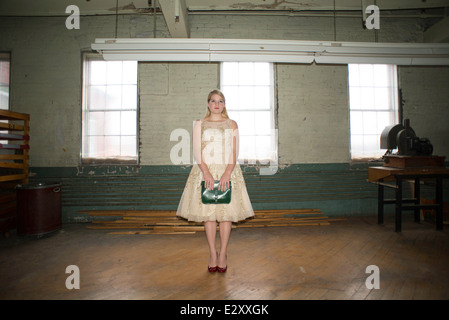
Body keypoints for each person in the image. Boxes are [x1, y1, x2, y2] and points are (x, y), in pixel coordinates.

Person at [176, 89, 254, 273]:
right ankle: (212, 253)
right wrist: (207, 173)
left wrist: (227, 173)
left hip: (228, 171)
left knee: (226, 214)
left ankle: (223, 253)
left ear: (224, 104)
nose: (217, 104)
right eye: (213, 101)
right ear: (208, 103)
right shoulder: (199, 124)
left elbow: (234, 151)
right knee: (209, 215)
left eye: (220, 101)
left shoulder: (232, 124)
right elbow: (197, 151)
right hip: (205, 171)